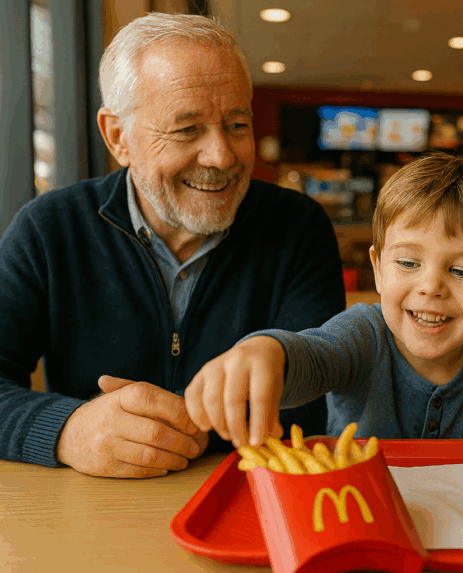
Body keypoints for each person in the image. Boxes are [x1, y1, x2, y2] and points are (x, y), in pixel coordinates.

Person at [0, 14, 345, 478]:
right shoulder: (49, 228)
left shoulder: (298, 226)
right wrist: (67, 429)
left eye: (237, 124)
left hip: (251, 497)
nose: (222, 156)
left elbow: (321, 387)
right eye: (187, 130)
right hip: (92, 511)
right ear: (118, 137)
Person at [185, 152, 463, 447]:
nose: (430, 287)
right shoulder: (361, 333)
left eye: (462, 271)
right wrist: (269, 350)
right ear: (378, 269)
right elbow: (314, 356)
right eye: (407, 263)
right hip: (355, 510)